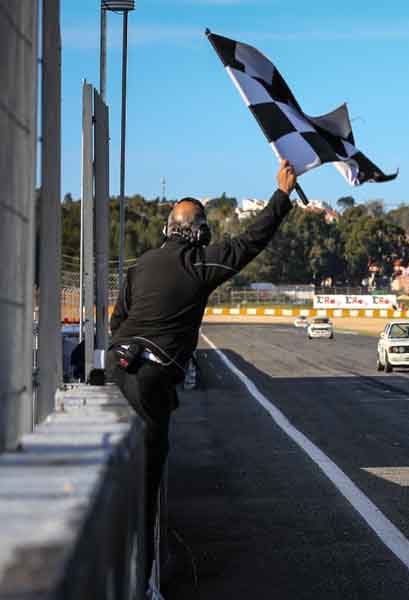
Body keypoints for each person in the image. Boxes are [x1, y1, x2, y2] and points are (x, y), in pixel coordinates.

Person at [105, 160, 298, 586]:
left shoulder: (139, 268)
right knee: (146, 486)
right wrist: (282, 195)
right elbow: (251, 241)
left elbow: (118, 323)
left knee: (113, 477)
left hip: (116, 368)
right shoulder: (200, 264)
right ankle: (141, 583)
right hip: (152, 380)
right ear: (197, 232)